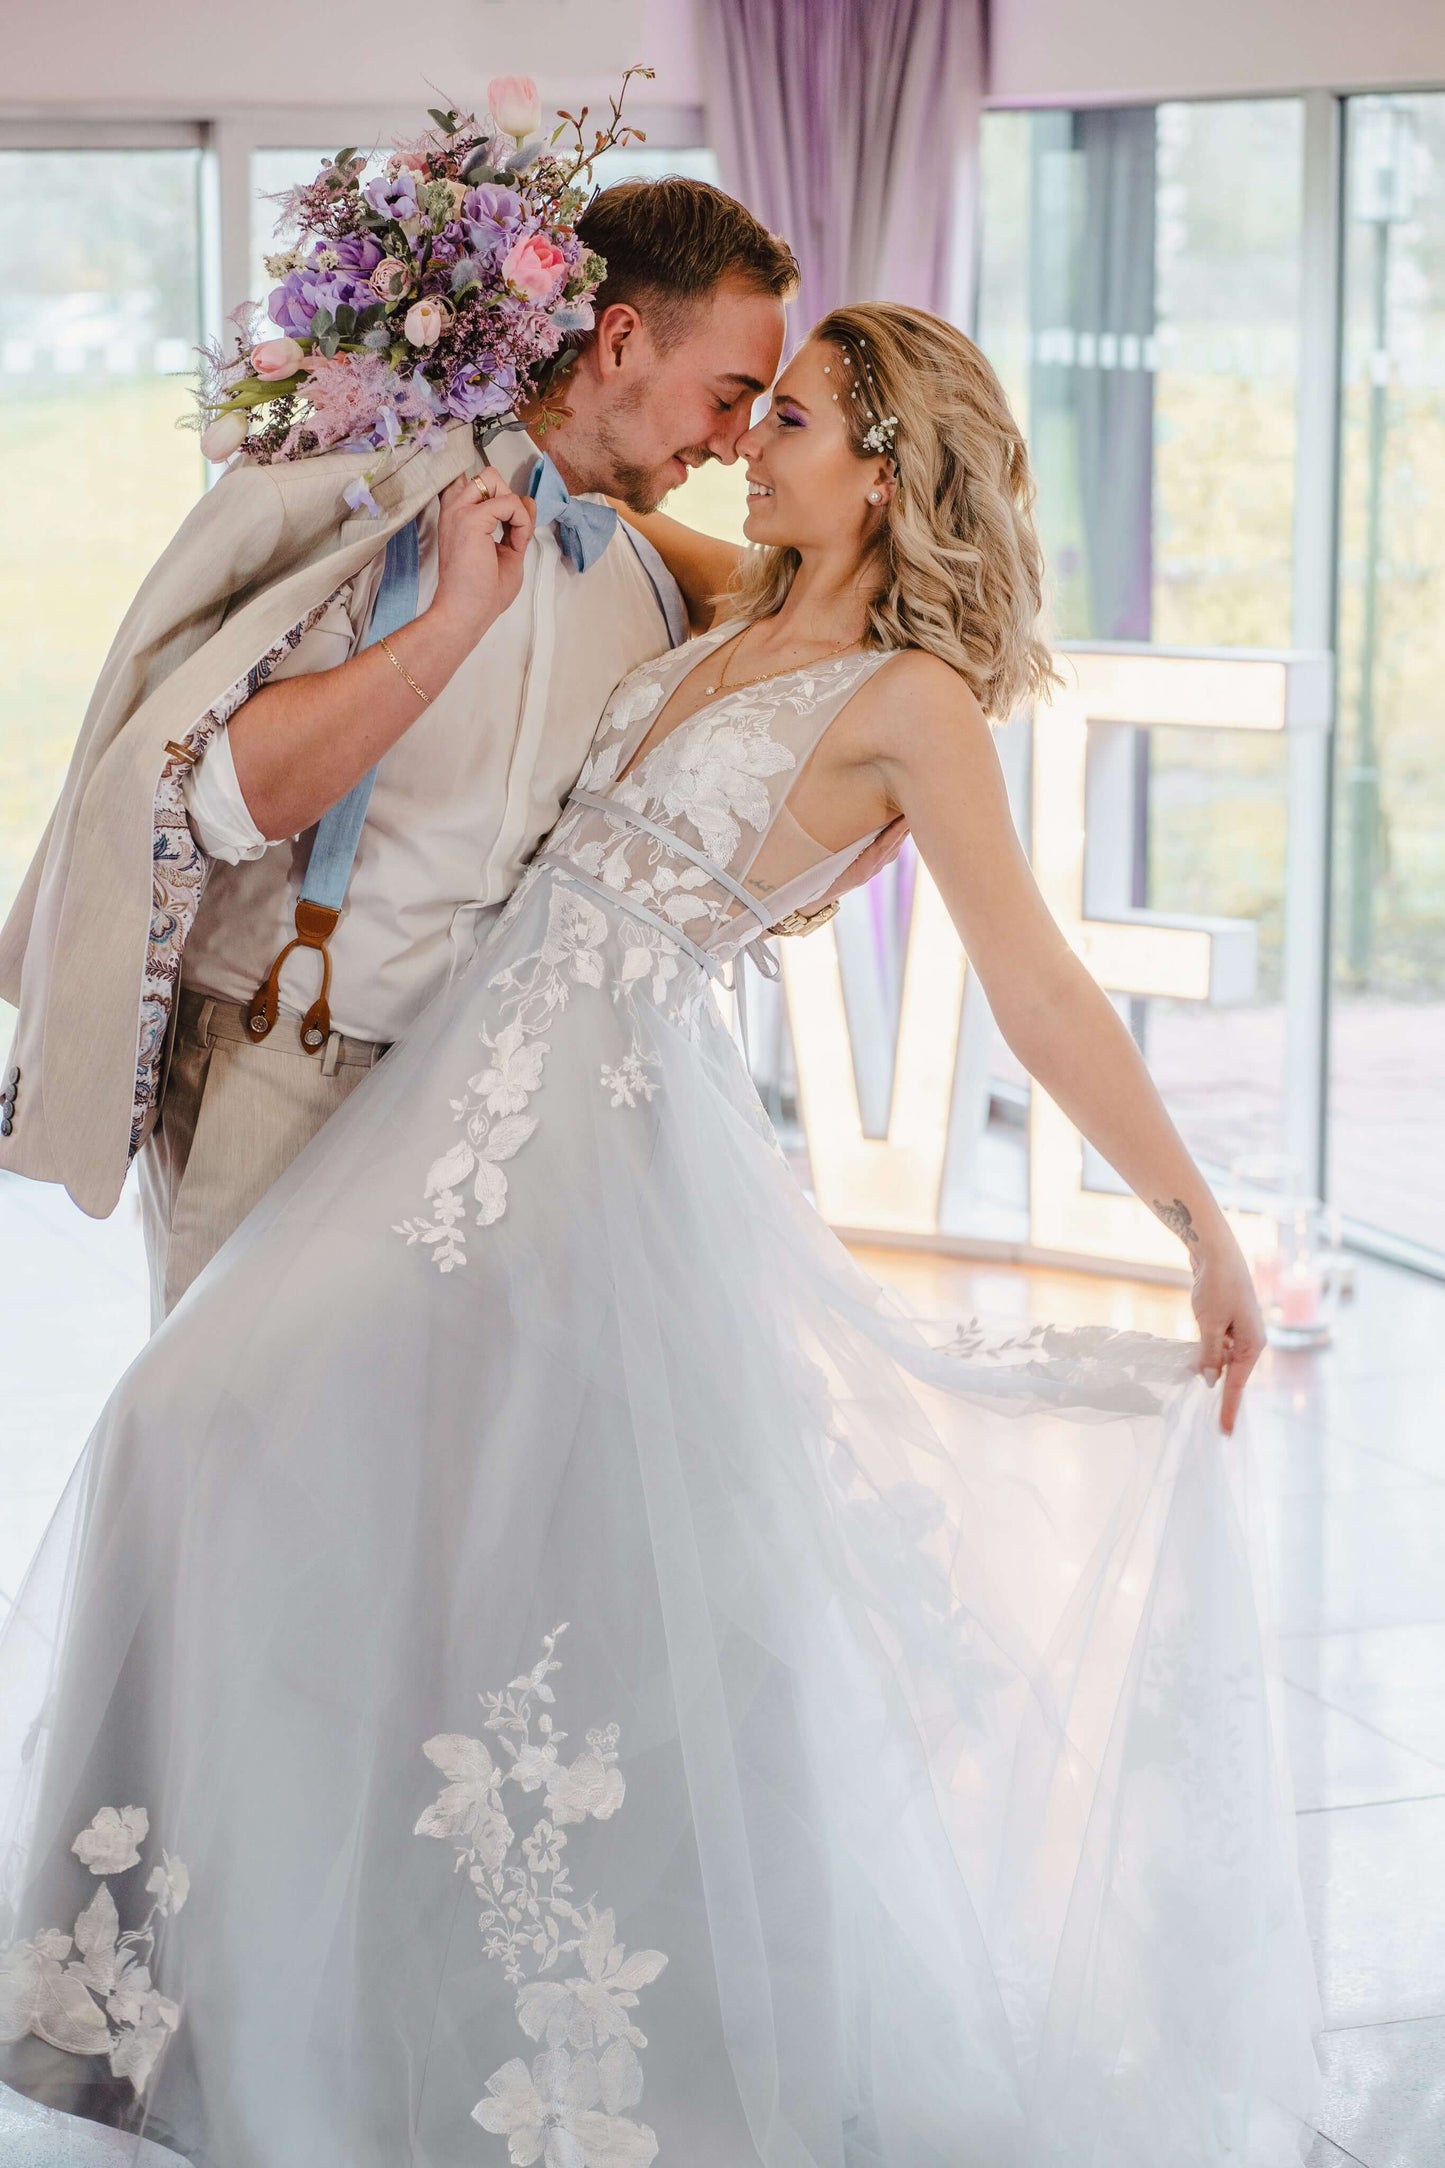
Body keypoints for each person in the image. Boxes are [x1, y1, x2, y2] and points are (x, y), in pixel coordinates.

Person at [0, 302, 1319, 2168]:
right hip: (453, 1096)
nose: (745, 444)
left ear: (883, 467)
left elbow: (1034, 983)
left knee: (237, 1443)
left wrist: (1201, 1225)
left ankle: (485, 2043)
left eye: (786, 420)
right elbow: (572, 470)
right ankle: (271, 2005)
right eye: (751, 404)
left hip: (576, 1153)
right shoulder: (731, 591)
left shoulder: (910, 708)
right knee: (391, 1549)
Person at [0, 177, 899, 1323]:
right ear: (618, 339)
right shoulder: (375, 500)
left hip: (491, 1115)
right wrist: (449, 624)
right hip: (287, 1063)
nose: (733, 443)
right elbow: (225, 797)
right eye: (726, 397)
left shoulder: (645, 589)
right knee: (237, 1469)